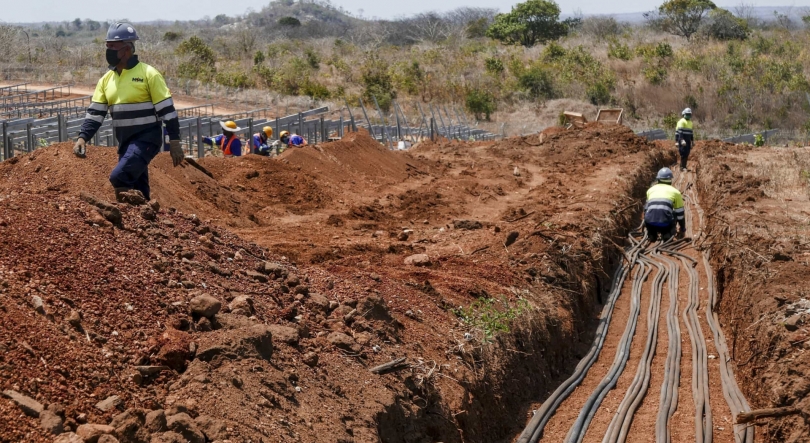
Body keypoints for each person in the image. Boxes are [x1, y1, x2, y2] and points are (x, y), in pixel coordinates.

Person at [73, 22, 183, 202]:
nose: (108, 50)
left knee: (119, 177)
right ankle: (147, 221)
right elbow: (95, 114)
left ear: (127, 49)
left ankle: (129, 217)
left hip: (147, 138)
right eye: (107, 46)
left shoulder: (149, 74)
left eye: (112, 46)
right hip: (125, 142)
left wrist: (175, 141)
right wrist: (82, 138)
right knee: (138, 186)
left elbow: (167, 111)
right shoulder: (105, 80)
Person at [644, 167, 686, 242]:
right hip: (665, 223)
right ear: (670, 179)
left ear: (658, 179)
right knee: (674, 212)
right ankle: (667, 234)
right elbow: (680, 214)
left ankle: (652, 234)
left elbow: (646, 209)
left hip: (650, 222)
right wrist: (682, 229)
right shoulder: (676, 192)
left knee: (650, 211)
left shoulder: (650, 190)